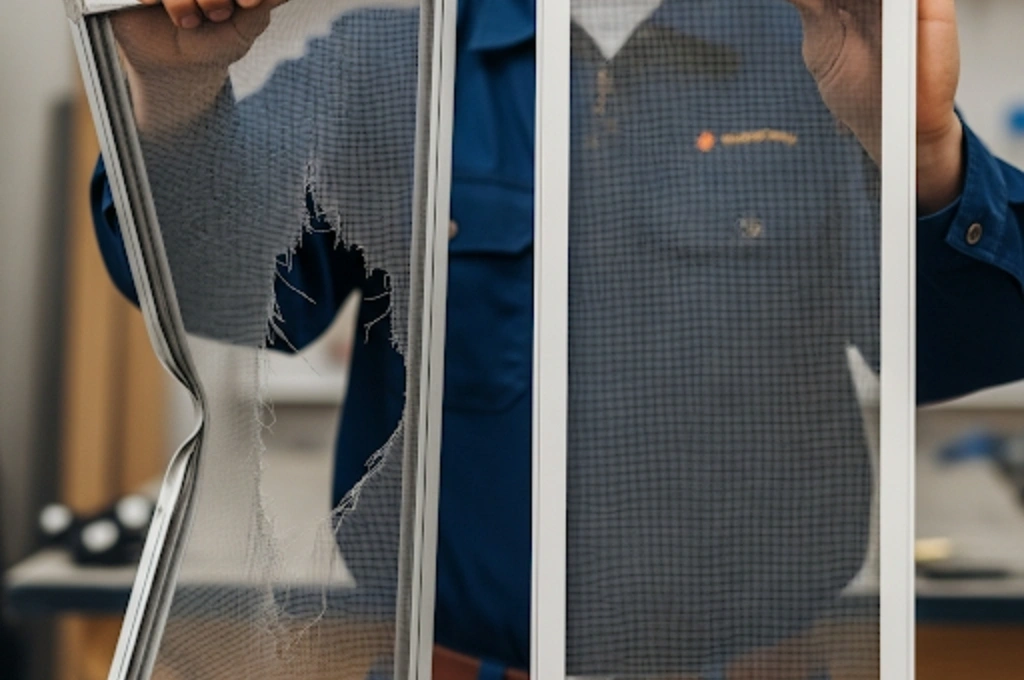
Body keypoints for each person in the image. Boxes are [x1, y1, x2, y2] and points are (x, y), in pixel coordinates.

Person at [90, 0, 1024, 677]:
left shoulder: (825, 45)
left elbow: (951, 346)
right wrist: (169, 94)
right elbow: (236, 293)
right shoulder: (393, 57)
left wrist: (922, 153)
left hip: (762, 663)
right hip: (455, 662)